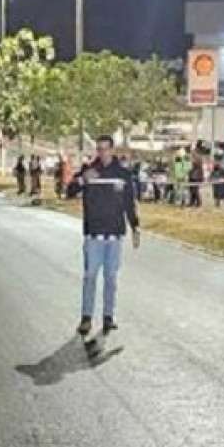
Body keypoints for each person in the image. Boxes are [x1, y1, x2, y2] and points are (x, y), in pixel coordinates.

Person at [64, 134, 141, 337]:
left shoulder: (122, 174)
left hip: (115, 235)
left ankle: (108, 316)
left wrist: (135, 226)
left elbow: (129, 203)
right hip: (93, 235)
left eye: (106, 148)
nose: (102, 152)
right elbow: (69, 191)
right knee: (90, 276)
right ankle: (86, 318)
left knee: (111, 278)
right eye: (99, 149)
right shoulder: (89, 171)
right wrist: (82, 179)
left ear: (112, 150)